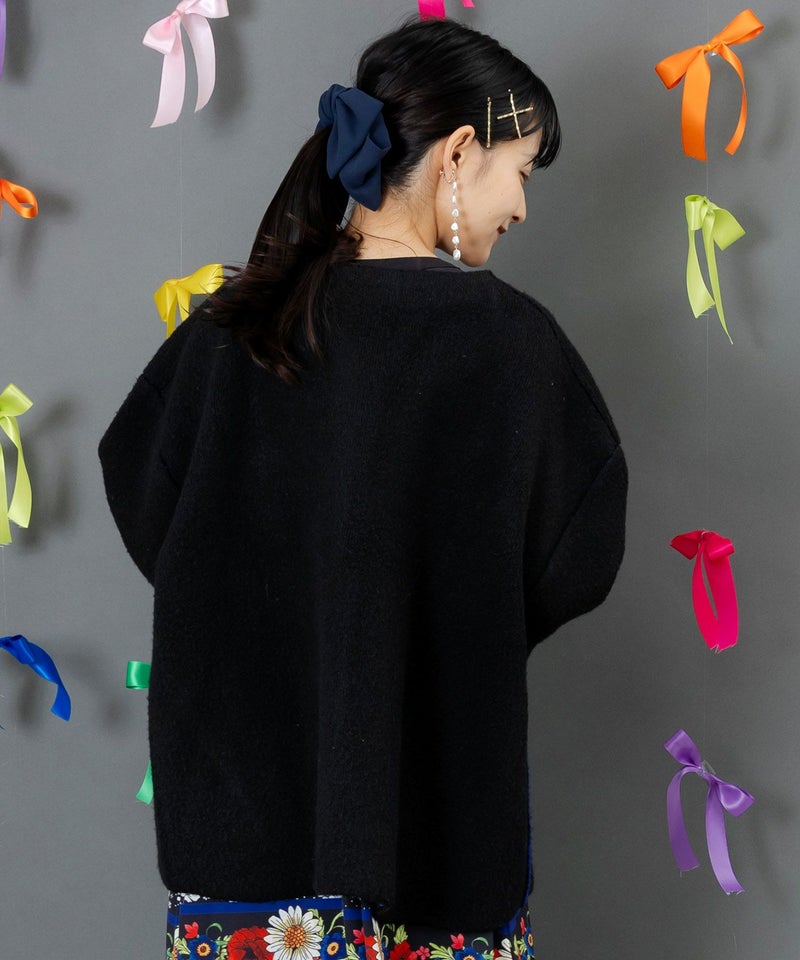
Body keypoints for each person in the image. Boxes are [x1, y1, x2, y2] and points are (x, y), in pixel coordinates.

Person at [99, 15, 627, 960]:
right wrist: (434, 624)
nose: (521, 206)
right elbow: (576, 555)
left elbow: (146, 497)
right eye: (521, 171)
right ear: (458, 153)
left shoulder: (229, 332)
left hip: (243, 848)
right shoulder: (510, 345)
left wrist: (268, 606)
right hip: (442, 847)